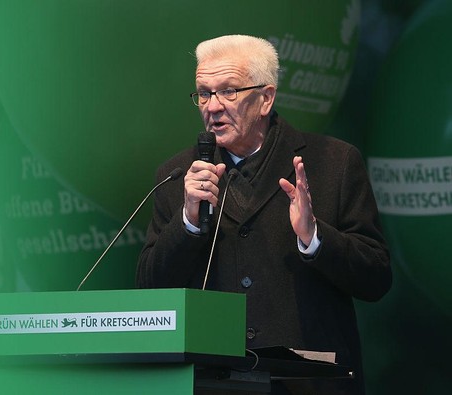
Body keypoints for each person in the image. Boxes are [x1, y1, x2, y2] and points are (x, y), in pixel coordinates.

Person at [136, 35, 392, 395]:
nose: (212, 106)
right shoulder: (179, 174)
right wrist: (188, 222)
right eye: (204, 93)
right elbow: (149, 290)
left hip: (310, 384)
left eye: (228, 91)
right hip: (212, 383)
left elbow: (376, 279)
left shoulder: (333, 162)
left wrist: (314, 238)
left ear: (266, 98)